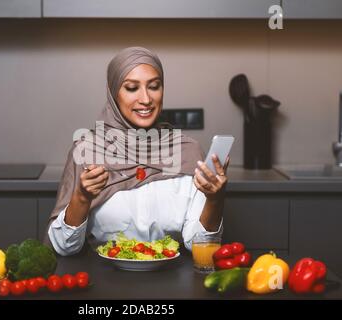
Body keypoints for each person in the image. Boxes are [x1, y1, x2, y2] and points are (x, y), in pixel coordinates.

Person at [46, 47, 229, 256]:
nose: (146, 99)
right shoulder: (88, 152)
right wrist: (81, 197)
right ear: (114, 93)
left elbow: (199, 244)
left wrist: (215, 199)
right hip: (104, 282)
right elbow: (63, 246)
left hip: (173, 282)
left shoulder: (188, 151)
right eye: (132, 88)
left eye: (154, 86)